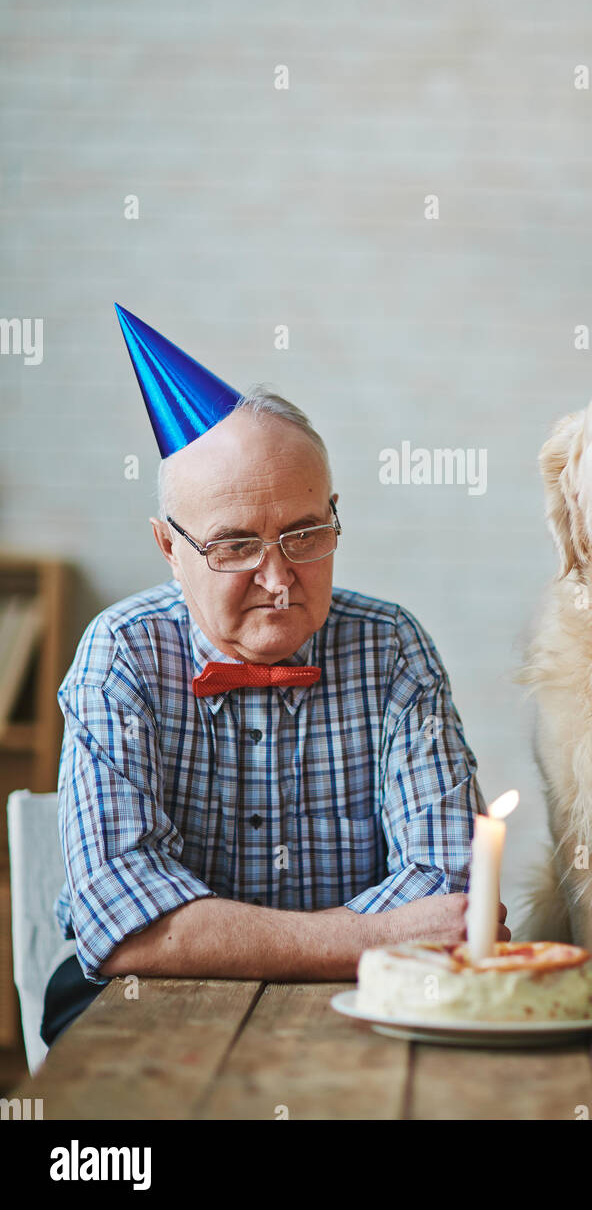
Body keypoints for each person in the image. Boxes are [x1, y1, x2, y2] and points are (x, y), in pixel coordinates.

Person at [42, 307, 508, 1048]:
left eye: (306, 534)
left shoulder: (391, 649)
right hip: (147, 1011)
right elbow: (123, 927)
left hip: (359, 1009)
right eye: (234, 546)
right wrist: (366, 937)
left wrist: (235, 937)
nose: (279, 578)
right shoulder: (120, 655)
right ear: (169, 546)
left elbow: (450, 895)